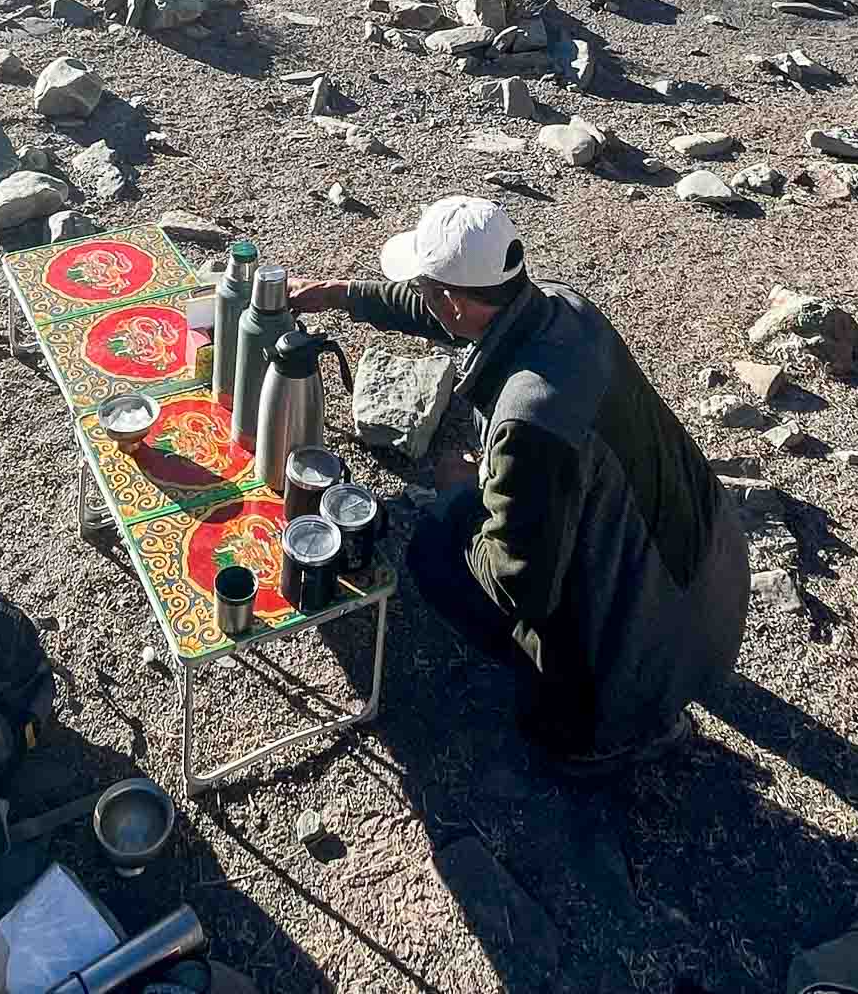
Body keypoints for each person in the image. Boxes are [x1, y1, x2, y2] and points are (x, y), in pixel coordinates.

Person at [287, 196, 749, 775]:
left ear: (452, 300)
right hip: (712, 578)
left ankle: (604, 731)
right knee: (498, 516)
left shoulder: (530, 423)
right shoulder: (559, 307)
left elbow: (519, 587)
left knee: (436, 548)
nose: (424, 300)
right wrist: (340, 295)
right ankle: (641, 671)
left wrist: (465, 492)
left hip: (648, 648)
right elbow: (441, 311)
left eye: (426, 289)